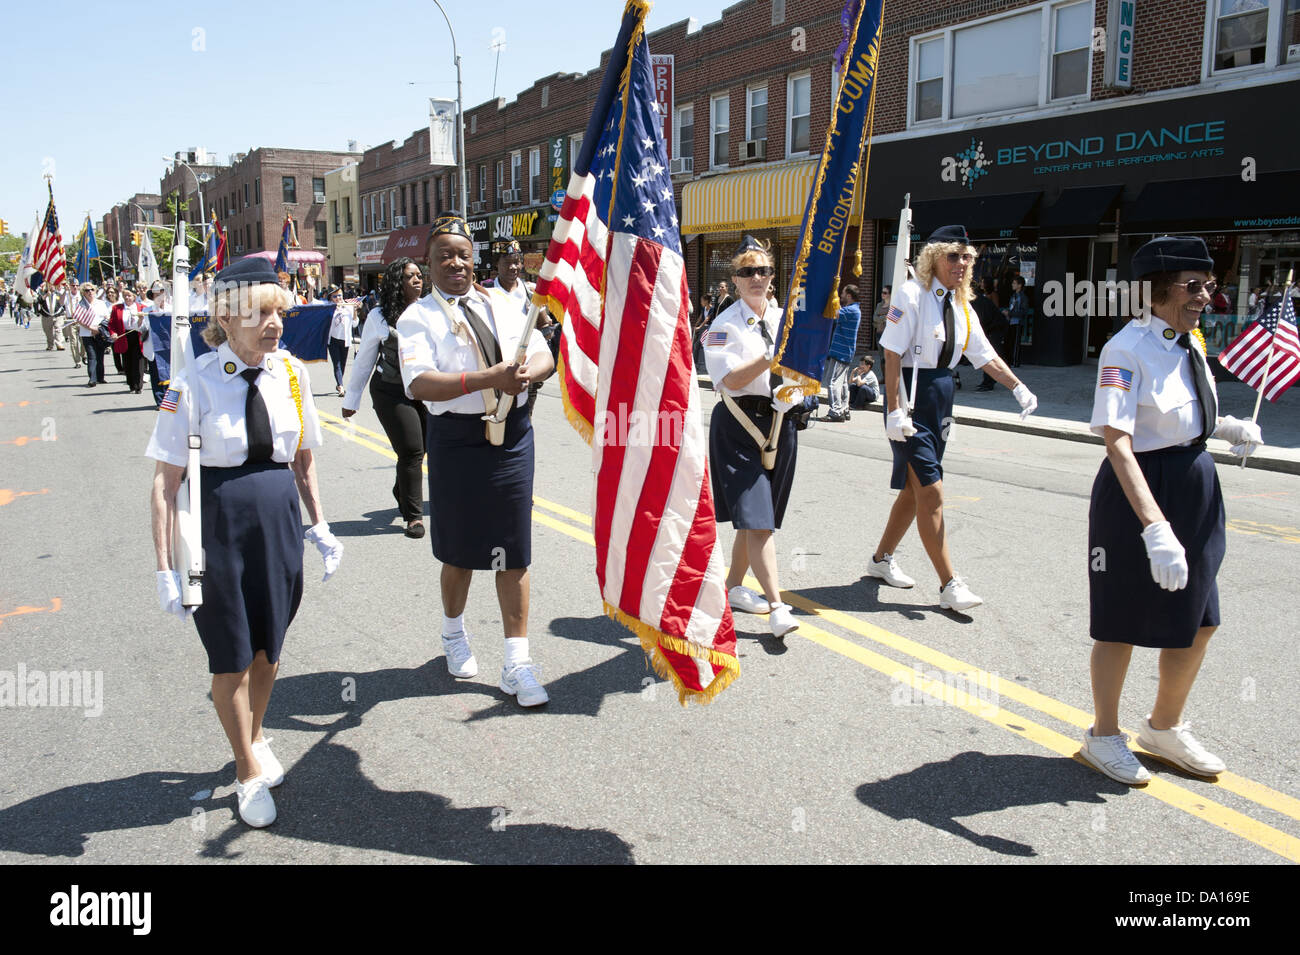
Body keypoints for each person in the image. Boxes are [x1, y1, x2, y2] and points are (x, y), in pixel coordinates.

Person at [146, 256, 342, 828]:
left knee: (269, 649)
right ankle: (245, 772)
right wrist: (164, 566)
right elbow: (165, 482)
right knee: (231, 656)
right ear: (225, 320)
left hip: (279, 519)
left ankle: (255, 735)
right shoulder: (190, 383)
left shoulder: (291, 373)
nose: (273, 323)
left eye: (277, 311)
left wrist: (320, 524)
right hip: (217, 531)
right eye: (257, 313)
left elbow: (302, 458)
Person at [1080, 237, 1263, 786]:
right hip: (1138, 491)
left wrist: (1226, 427)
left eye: (1209, 285)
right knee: (1120, 623)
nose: (1205, 295)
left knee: (1201, 619)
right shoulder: (1125, 349)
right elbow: (1118, 441)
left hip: (1194, 484)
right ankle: (1103, 736)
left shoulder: (1190, 340)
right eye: (1193, 285)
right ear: (1157, 290)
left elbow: (1185, 412)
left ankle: (1163, 726)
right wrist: (1155, 527)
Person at [397, 212, 555, 705]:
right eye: (444, 255)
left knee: (513, 549)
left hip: (513, 435)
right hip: (457, 438)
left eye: (463, 254)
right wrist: (490, 380)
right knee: (460, 550)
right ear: (429, 261)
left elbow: (546, 353)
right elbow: (419, 384)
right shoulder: (417, 317)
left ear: (475, 259)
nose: (456, 263)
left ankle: (517, 662)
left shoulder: (504, 306)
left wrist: (529, 375)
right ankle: (453, 634)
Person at [870, 225, 1038, 611]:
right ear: (934, 258)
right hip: (911, 397)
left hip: (942, 396)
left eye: (967, 257)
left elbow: (985, 355)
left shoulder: (962, 304)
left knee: (915, 491)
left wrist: (1018, 387)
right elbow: (891, 355)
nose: (961, 264)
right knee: (931, 490)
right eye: (953, 256)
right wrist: (894, 409)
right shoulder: (911, 295)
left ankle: (880, 561)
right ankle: (949, 584)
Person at [703, 235, 800, 638]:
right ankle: (777, 606)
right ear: (736, 280)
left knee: (759, 519)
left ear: (772, 277)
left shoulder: (787, 318)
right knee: (759, 521)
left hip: (781, 420)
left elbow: (805, 367)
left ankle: (730, 589)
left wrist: (798, 393)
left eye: (763, 270)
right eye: (747, 272)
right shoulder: (720, 328)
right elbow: (727, 380)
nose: (756, 277)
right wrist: (769, 355)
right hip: (740, 425)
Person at [343, 257, 430, 538]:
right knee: (411, 451)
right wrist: (350, 401)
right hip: (390, 390)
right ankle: (413, 517)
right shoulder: (379, 317)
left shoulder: (430, 311)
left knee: (423, 448)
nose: (417, 280)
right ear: (396, 282)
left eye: (419, 275)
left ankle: (402, 490)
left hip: (425, 390)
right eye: (410, 276)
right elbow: (364, 360)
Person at [822, 284, 861, 422]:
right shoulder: (853, 310)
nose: (841, 296)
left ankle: (835, 412)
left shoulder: (851, 310)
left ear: (849, 296)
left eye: (843, 293)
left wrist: (832, 297)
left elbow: (834, 313)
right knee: (843, 383)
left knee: (832, 382)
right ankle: (844, 409)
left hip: (842, 352)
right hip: (843, 351)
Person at [70, 282, 111, 387]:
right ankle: (92, 379)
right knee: (91, 356)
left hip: (99, 332)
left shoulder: (101, 303)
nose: (90, 292)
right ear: (83, 293)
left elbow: (106, 317)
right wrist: (90, 328)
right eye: (87, 290)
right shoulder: (81, 304)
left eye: (92, 290)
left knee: (100, 356)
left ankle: (100, 377)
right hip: (87, 333)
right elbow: (78, 319)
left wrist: (100, 328)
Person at [108, 287, 146, 394]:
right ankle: (131, 384)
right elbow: (112, 323)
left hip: (137, 335)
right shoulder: (117, 308)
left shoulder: (141, 307)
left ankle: (138, 385)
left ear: (134, 296)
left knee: (138, 361)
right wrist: (113, 333)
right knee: (127, 361)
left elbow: (147, 323)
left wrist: (141, 319)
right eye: (125, 296)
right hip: (124, 336)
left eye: (129, 295)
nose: (127, 298)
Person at [974, 279, 1007, 391]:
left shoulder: (977, 302)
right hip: (993, 328)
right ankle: (989, 381)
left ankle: (988, 382)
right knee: (990, 355)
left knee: (989, 356)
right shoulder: (979, 300)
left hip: (994, 329)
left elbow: (981, 320)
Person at [325, 287, 353, 398]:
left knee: (342, 365)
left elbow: (355, 324)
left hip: (345, 340)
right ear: (331, 298)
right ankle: (341, 387)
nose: (338, 298)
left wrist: (355, 311)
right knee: (337, 364)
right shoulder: (328, 308)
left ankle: (338, 383)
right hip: (332, 340)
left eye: (340, 295)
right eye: (335, 296)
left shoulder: (348, 307)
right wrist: (311, 288)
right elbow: (313, 303)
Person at [1004, 275, 1028, 367]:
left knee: (1015, 343)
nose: (1012, 284)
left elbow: (1023, 311)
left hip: (1017, 322)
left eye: (1014, 283)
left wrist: (1010, 313)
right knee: (1009, 342)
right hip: (1010, 321)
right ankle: (1009, 361)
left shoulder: (1023, 297)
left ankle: (1015, 361)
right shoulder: (1013, 296)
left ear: (1020, 285)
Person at [35, 284, 67, 352]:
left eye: (53, 285)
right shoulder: (42, 294)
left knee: (58, 328)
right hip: (46, 315)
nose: (51, 286)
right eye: (50, 285)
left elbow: (61, 303)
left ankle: (59, 344)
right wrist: (46, 295)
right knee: (48, 331)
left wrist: (65, 292)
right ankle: (50, 345)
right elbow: (39, 301)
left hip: (57, 315)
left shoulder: (58, 294)